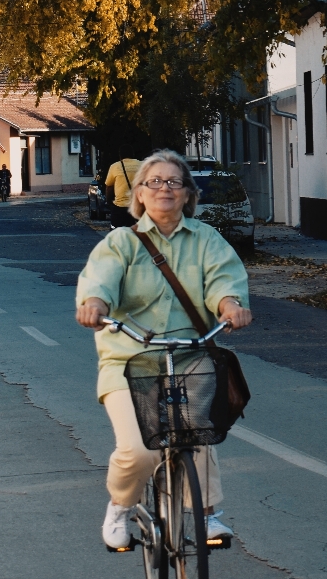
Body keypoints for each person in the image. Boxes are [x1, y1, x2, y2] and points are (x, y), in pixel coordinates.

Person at [75, 149, 252, 551]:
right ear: (138, 194)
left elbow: (224, 279)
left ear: (189, 193)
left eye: (174, 182)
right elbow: (100, 279)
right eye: (154, 182)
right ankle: (120, 507)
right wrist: (95, 306)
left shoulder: (207, 239)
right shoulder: (121, 242)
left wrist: (231, 307)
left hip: (189, 355)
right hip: (128, 359)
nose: (164, 189)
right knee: (138, 450)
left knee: (197, 434)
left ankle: (208, 515)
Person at [104, 155, 142, 228]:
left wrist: (109, 202)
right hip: (138, 206)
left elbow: (109, 187)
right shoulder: (142, 165)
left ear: (120, 156)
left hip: (120, 207)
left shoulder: (115, 166)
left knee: (116, 232)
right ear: (133, 155)